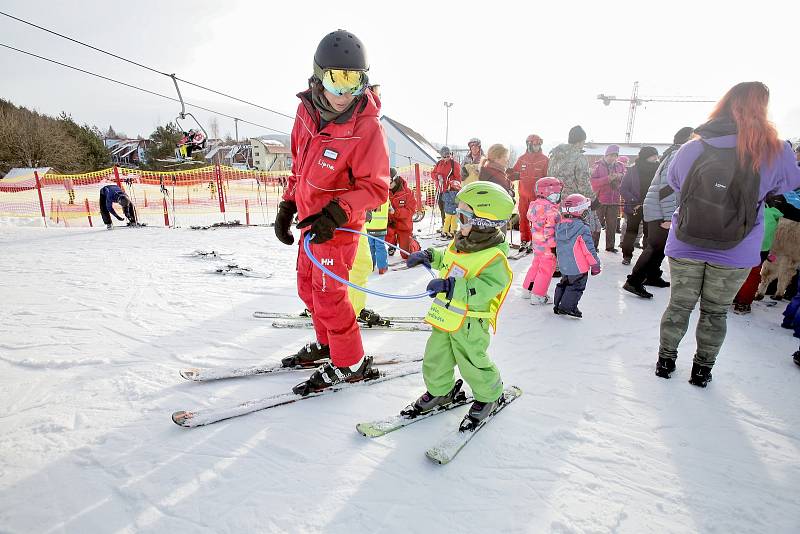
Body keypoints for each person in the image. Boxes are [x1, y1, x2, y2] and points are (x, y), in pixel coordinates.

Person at [656, 81, 800, 388]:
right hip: (738, 247)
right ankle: (701, 371)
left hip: (686, 241)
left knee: (679, 306)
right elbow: (787, 184)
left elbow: (676, 180)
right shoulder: (777, 150)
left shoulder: (695, 146)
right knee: (715, 312)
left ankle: (665, 361)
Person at [272, 29, 390, 393]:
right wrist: (288, 203)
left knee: (330, 294)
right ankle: (328, 346)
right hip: (311, 223)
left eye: (355, 82)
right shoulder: (306, 111)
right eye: (337, 80)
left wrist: (338, 213)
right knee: (308, 290)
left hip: (337, 229)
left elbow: (376, 186)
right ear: (318, 76)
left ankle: (350, 361)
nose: (345, 93)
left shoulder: (366, 127)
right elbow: (299, 166)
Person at [404, 181, 514, 430]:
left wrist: (452, 287)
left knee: (471, 361)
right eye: (458, 213)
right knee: (436, 356)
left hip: (470, 321)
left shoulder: (494, 258)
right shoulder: (462, 242)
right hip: (445, 315)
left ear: (483, 223)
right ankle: (440, 390)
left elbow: (487, 286)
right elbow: (449, 258)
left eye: (463, 216)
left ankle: (490, 394)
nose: (456, 220)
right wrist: (431, 255)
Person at [624, 126, 694, 299]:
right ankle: (634, 280)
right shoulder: (678, 155)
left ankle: (652, 276)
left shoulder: (677, 153)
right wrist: (669, 216)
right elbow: (667, 188)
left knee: (661, 246)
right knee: (655, 245)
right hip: (660, 209)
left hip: (660, 207)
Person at [548, 125, 602, 248]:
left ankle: (557, 263)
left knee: (557, 233)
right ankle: (571, 262)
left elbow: (549, 177)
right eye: (583, 141)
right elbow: (583, 182)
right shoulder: (579, 157)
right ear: (580, 141)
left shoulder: (555, 156)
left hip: (555, 202)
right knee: (573, 236)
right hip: (574, 206)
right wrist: (593, 200)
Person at [553, 194, 601, 318]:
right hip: (579, 267)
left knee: (564, 283)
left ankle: (558, 305)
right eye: (586, 210)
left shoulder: (559, 226)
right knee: (576, 287)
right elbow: (588, 250)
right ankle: (568, 308)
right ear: (581, 212)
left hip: (564, 265)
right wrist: (595, 264)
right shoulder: (582, 228)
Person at [522, 177, 563, 304]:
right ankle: (539, 295)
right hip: (548, 246)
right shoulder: (551, 211)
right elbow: (549, 230)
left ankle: (528, 289)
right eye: (555, 195)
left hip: (537, 244)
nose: (558, 198)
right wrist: (554, 247)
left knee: (536, 265)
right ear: (547, 194)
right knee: (546, 269)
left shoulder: (535, 206)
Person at [620, 146, 660, 265]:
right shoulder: (633, 170)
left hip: (651, 206)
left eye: (656, 155)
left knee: (649, 234)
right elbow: (623, 188)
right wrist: (633, 201)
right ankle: (627, 255)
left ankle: (646, 258)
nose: (656, 158)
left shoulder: (659, 169)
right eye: (653, 155)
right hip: (635, 207)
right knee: (631, 232)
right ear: (646, 156)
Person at [510, 134, 549, 252]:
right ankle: (525, 239)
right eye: (535, 144)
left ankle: (535, 241)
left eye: (539, 144)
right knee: (523, 219)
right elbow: (514, 173)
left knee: (536, 220)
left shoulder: (544, 160)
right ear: (529, 145)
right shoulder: (522, 158)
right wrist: (510, 174)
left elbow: (547, 178)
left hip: (537, 197)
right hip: (523, 195)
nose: (537, 147)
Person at [590, 144, 625, 252]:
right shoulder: (597, 166)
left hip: (614, 200)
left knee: (612, 225)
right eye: (610, 155)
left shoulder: (620, 166)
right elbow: (592, 183)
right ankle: (593, 246)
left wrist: (620, 177)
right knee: (597, 224)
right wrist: (607, 179)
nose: (612, 158)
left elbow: (626, 178)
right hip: (600, 200)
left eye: (615, 156)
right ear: (606, 155)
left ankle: (610, 246)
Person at [386, 170, 417, 259]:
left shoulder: (408, 193)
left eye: (390, 182)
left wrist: (395, 212)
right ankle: (392, 244)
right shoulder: (385, 191)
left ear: (395, 179)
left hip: (404, 226)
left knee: (406, 255)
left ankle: (414, 243)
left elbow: (410, 211)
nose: (388, 185)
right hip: (390, 224)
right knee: (382, 232)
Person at [365, 170, 392, 274]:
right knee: (380, 247)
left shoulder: (368, 194)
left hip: (369, 226)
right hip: (381, 227)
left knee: (370, 247)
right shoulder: (385, 195)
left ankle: (370, 266)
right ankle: (382, 267)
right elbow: (390, 209)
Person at [431, 146, 461, 227]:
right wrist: (438, 176)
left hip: (449, 191)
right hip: (440, 189)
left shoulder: (454, 164)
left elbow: (458, 178)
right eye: (445, 156)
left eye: (449, 155)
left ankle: (451, 227)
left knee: (449, 210)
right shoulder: (439, 163)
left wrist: (452, 184)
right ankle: (444, 225)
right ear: (441, 156)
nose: (447, 158)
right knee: (442, 208)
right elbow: (432, 174)